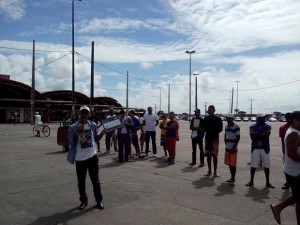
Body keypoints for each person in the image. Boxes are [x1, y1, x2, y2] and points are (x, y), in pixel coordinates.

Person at [67, 105, 105, 210]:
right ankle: (83, 201)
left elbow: (96, 139)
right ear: (79, 114)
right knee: (81, 182)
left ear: (89, 114)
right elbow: (70, 142)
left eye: (86, 112)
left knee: (95, 180)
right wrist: (77, 133)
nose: (84, 114)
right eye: (82, 112)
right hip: (80, 159)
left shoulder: (92, 125)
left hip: (92, 157)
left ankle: (99, 200)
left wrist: (102, 134)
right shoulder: (73, 127)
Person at [270, 111, 300, 225]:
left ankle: (278, 208)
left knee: (298, 197)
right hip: (295, 172)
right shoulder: (293, 134)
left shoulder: (295, 131)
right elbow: (292, 153)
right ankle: (278, 208)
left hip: (294, 170)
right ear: (295, 120)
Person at [246, 114, 274, 188]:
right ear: (258, 119)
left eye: (263, 118)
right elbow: (253, 137)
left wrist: (257, 134)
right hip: (255, 148)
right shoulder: (252, 127)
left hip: (265, 148)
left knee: (266, 165)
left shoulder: (268, 126)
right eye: (261, 118)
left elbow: (266, 136)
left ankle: (267, 182)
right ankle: (251, 181)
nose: (263, 119)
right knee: (253, 165)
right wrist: (262, 134)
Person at [203, 105, 223, 177]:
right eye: (209, 110)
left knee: (214, 156)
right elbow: (203, 127)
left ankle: (215, 172)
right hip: (207, 139)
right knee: (208, 156)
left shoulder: (218, 119)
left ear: (214, 110)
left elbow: (221, 129)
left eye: (211, 110)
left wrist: (213, 131)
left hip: (215, 140)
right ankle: (209, 171)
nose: (209, 111)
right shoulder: (206, 118)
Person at [224, 114, 240, 184]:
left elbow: (238, 137)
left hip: (233, 148)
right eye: (227, 118)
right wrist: (225, 141)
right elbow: (225, 134)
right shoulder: (226, 126)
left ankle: (233, 178)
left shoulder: (236, 127)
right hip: (227, 147)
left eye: (230, 119)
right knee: (229, 163)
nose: (228, 120)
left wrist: (234, 147)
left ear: (232, 119)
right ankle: (231, 177)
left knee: (233, 164)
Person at [279, 112, 292, 189]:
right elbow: (282, 140)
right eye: (288, 118)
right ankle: (288, 182)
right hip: (286, 151)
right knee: (286, 167)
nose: (289, 120)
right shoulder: (282, 128)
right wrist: (284, 150)